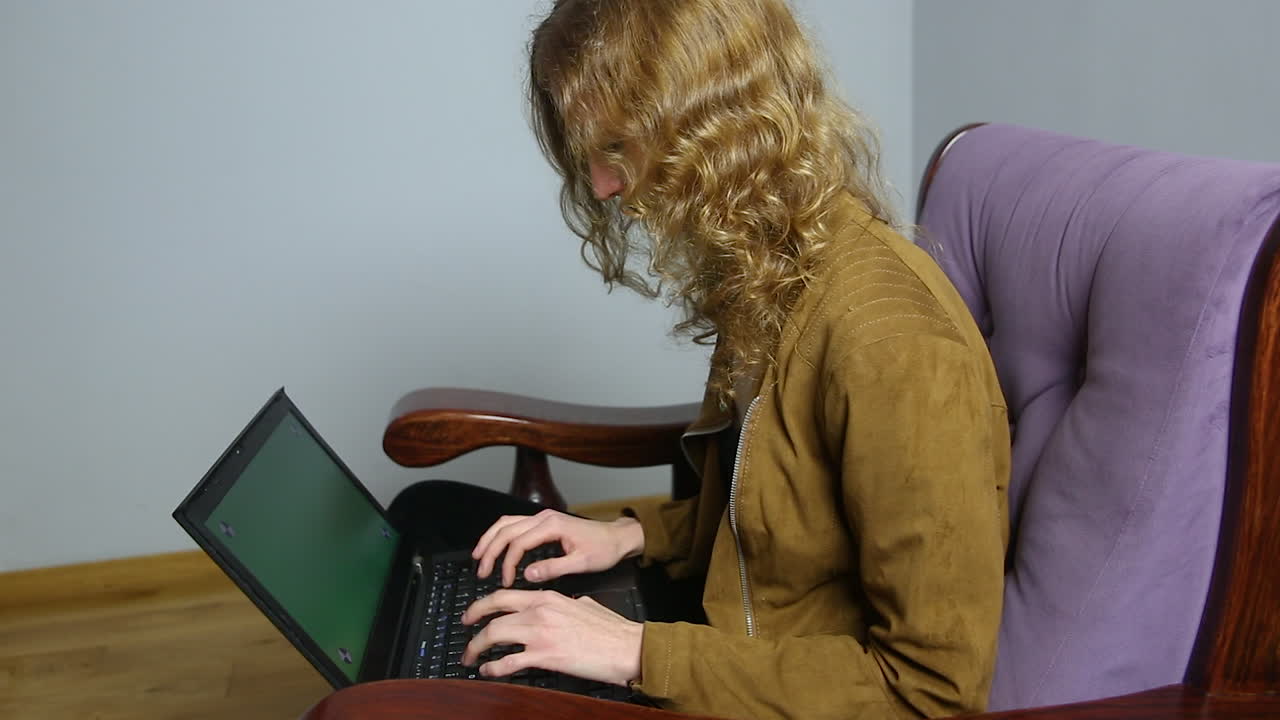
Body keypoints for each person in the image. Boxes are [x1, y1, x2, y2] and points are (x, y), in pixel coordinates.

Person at [391, 1, 1011, 718]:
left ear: (717, 124)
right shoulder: (773, 265)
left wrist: (633, 653)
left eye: (618, 147)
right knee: (431, 530)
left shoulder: (895, 347)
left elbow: (932, 692)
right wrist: (633, 534)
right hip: (736, 633)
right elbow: (780, 521)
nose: (600, 186)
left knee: (438, 682)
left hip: (775, 682)